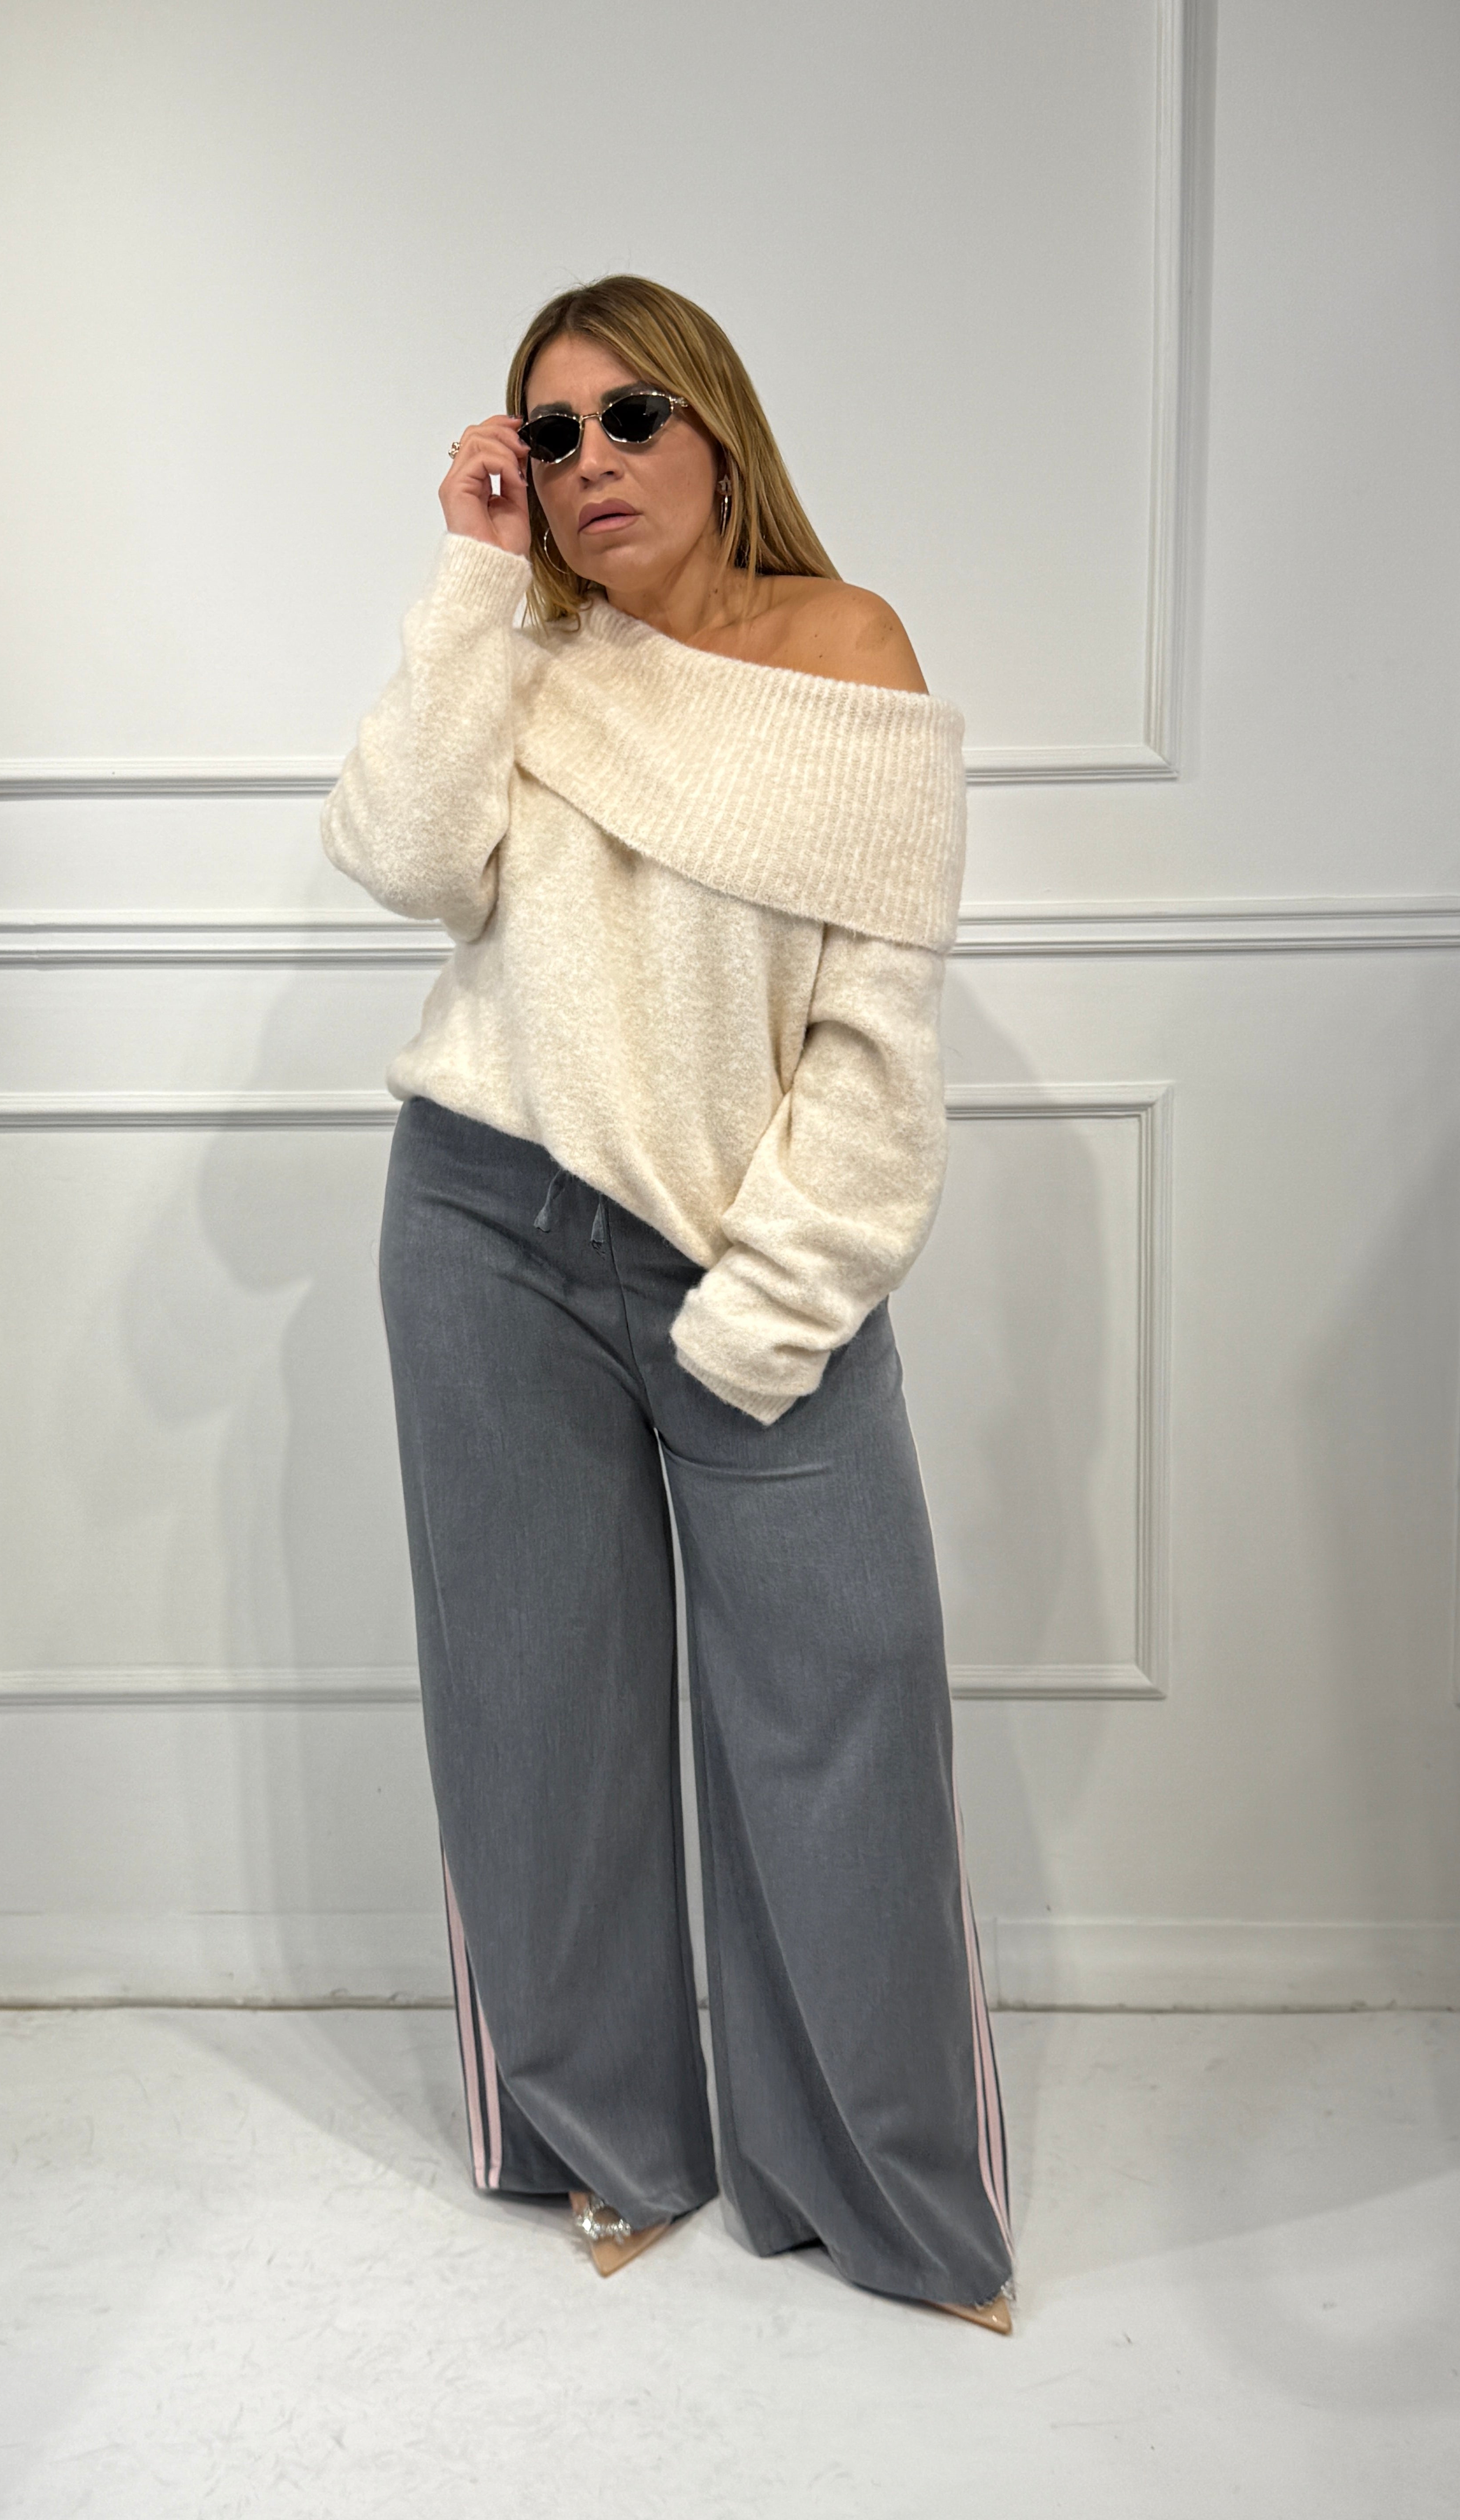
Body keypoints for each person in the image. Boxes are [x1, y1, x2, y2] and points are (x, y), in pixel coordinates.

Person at [320, 274, 1015, 2333]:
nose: (591, 463)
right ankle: (603, 2141)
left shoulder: (847, 650)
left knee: (843, 1710)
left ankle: (887, 2198)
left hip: (756, 1255)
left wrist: (780, 1299)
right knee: (535, 1719)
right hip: (485, 1230)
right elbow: (401, 855)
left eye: (631, 417)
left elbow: (878, 1034)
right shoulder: (528, 660)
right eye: (548, 438)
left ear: (717, 426)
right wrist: (473, 579)